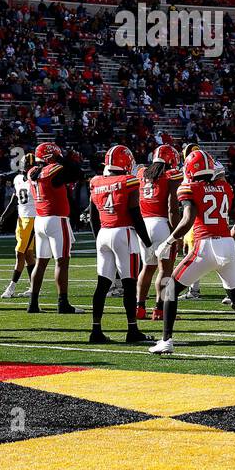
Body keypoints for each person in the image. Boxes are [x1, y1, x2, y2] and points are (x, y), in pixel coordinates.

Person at [150, 148, 235, 358]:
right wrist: (225, 238)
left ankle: (166, 341)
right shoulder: (224, 187)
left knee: (170, 288)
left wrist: (169, 241)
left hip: (204, 246)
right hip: (226, 245)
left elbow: (188, 218)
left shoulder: (189, 187)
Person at [84, 145, 151, 344]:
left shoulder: (96, 181)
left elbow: (92, 215)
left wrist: (98, 237)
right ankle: (132, 330)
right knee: (129, 284)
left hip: (104, 233)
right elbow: (136, 215)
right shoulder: (129, 181)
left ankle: (96, 330)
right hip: (124, 233)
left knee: (103, 283)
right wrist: (148, 243)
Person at [25, 142, 83, 314]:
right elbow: (77, 174)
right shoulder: (54, 170)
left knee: (41, 262)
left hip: (40, 219)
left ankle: (33, 303)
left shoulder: (32, 172)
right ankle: (62, 303)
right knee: (62, 261)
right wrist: (66, 159)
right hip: (56, 219)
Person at [136, 143, 182, 320]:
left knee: (147, 268)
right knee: (165, 270)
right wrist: (177, 233)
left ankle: (139, 308)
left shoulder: (141, 173)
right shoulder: (170, 176)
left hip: (144, 225)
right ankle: (160, 309)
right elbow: (172, 208)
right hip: (161, 224)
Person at [0, 153, 37, 299]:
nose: (28, 168)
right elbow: (15, 198)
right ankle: (33, 287)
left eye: (30, 166)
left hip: (32, 219)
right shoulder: (18, 179)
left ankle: (11, 287)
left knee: (20, 253)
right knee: (29, 255)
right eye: (27, 166)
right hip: (21, 219)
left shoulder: (37, 181)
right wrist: (4, 215)